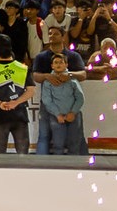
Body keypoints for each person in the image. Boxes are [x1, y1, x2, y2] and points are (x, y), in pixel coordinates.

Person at [31, 25, 87, 155]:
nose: (51, 36)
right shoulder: (41, 57)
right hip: (49, 103)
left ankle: (79, 164)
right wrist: (47, 76)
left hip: (71, 103)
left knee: (76, 137)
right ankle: (42, 165)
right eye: (49, 34)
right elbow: (35, 76)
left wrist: (69, 75)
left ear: (63, 36)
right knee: (45, 135)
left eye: (55, 34)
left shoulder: (73, 56)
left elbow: (83, 75)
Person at [0, 34, 34, 154]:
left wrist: (0, 103)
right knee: (23, 152)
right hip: (20, 114)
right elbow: (30, 91)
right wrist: (16, 102)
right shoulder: (22, 68)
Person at [39, 53, 85, 155]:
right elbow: (47, 100)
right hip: (56, 117)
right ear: (52, 66)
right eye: (56, 62)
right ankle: (58, 168)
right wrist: (57, 114)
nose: (59, 64)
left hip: (73, 116)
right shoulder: (48, 82)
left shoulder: (72, 80)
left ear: (66, 65)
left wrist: (73, 112)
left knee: (74, 144)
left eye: (61, 62)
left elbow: (80, 98)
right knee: (58, 145)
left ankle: (74, 169)